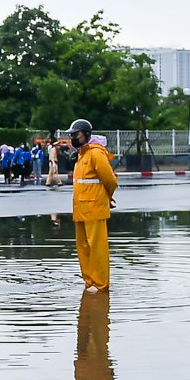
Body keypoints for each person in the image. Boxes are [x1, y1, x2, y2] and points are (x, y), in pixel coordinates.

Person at [57, 117, 118, 291]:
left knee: (97, 248)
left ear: (86, 135)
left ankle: (100, 284)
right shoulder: (82, 154)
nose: (73, 138)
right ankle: (90, 282)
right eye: (72, 135)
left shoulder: (96, 153)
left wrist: (107, 197)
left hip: (95, 209)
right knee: (83, 248)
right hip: (81, 209)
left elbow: (110, 180)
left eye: (76, 134)